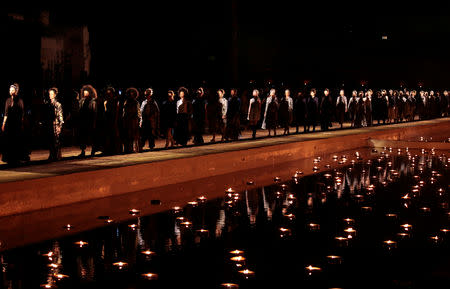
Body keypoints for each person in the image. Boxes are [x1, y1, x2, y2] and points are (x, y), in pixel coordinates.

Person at [2, 83, 27, 164]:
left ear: (16, 91)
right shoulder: (8, 100)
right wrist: (3, 123)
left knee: (16, 140)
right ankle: (9, 157)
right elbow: (6, 113)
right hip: (9, 123)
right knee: (9, 140)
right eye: (10, 90)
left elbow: (22, 113)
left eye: (13, 90)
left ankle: (17, 157)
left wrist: (22, 123)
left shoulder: (20, 101)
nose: (11, 92)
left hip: (17, 123)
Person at [78, 84, 97, 157]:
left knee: (91, 137)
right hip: (83, 121)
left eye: (87, 92)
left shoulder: (93, 101)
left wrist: (94, 122)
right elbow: (79, 110)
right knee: (82, 137)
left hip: (90, 121)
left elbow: (94, 112)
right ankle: (83, 151)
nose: (85, 93)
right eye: (84, 92)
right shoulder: (81, 101)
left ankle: (93, 150)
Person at [122, 87, 141, 153]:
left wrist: (138, 120)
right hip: (127, 121)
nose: (131, 95)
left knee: (133, 136)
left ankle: (134, 148)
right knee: (127, 135)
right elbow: (124, 111)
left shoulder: (136, 102)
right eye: (130, 93)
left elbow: (138, 112)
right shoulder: (126, 102)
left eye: (132, 93)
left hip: (133, 121)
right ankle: (128, 149)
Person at [103, 87, 121, 155]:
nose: (108, 94)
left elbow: (116, 111)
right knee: (108, 135)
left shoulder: (115, 101)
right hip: (108, 119)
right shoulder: (106, 101)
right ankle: (108, 150)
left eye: (110, 93)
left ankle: (116, 150)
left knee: (114, 135)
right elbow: (105, 110)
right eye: (107, 93)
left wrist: (116, 120)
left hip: (113, 119)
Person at [47, 88, 64, 161]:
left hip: (56, 124)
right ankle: (51, 155)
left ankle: (56, 156)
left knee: (56, 140)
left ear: (55, 95)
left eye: (52, 94)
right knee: (50, 140)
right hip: (50, 124)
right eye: (49, 94)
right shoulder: (48, 104)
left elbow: (60, 115)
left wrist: (60, 125)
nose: (50, 95)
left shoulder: (58, 104)